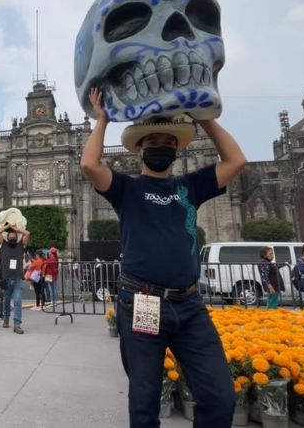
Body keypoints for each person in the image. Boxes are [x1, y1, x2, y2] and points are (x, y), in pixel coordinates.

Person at [81, 87, 245, 427]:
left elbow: (235, 162)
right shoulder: (126, 189)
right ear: (139, 149)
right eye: (152, 141)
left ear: (176, 149)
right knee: (144, 401)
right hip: (143, 303)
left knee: (219, 396)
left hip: (189, 305)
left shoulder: (190, 187)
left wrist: (205, 118)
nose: (161, 147)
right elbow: (89, 164)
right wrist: (102, 120)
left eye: (169, 142)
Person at [0, 223, 30, 334]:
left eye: (14, 235)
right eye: (10, 235)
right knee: (6, 301)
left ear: (16, 237)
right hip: (6, 279)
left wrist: (15, 229)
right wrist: (8, 226)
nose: (12, 237)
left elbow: (27, 233)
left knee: (17, 301)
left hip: (18, 279)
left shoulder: (21, 245)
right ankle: (6, 318)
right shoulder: (3, 244)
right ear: (7, 237)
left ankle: (17, 324)